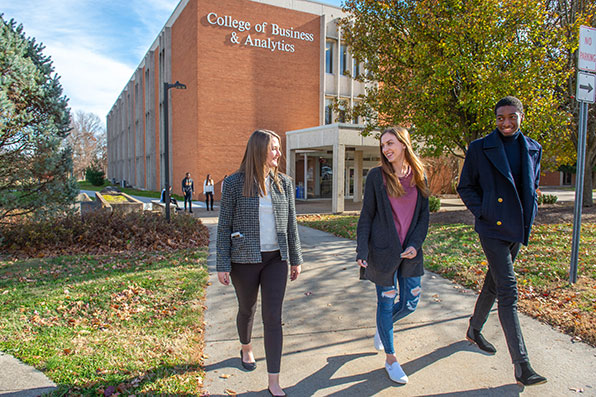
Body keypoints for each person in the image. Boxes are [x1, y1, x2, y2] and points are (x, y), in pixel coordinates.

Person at [457, 96, 547, 386]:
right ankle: (522, 365)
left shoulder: (533, 148)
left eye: (512, 117)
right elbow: (465, 186)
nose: (506, 123)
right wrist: (484, 210)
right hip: (492, 228)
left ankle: (474, 329)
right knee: (508, 291)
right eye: (500, 118)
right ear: (495, 119)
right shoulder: (480, 148)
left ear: (521, 116)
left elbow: (530, 183)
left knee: (494, 283)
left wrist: (533, 199)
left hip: (517, 228)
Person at [216, 129, 303, 397]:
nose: (279, 153)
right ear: (259, 150)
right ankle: (245, 346)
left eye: (279, 148)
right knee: (247, 309)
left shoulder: (284, 184)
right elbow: (223, 227)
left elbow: (291, 225)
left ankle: (274, 380)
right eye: (274, 148)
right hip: (244, 260)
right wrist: (222, 263)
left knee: (273, 318)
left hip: (276, 258)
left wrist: (295, 259)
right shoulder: (233, 184)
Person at [356, 126, 430, 384]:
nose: (386, 149)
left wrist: (416, 244)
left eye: (390, 143)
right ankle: (391, 358)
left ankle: (382, 325)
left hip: (410, 252)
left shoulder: (420, 175)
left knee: (410, 302)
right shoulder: (377, 176)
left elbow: (423, 217)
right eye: (383, 145)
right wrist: (361, 249)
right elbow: (367, 214)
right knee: (386, 302)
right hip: (382, 252)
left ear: (403, 143)